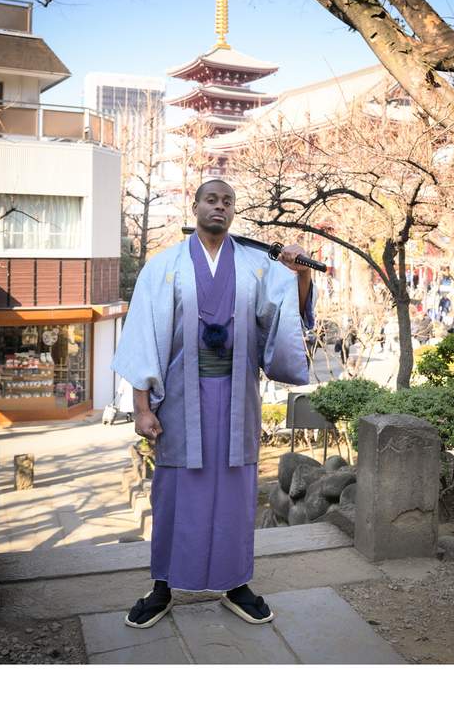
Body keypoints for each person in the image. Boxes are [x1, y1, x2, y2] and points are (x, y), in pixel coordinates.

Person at [112, 179, 314, 629]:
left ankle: (236, 583)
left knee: (236, 492)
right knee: (174, 493)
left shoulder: (255, 267)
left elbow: (284, 317)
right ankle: (162, 585)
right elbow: (142, 339)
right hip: (181, 398)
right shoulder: (164, 267)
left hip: (236, 396)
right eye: (212, 199)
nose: (219, 207)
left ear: (233, 211)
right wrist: (143, 409)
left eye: (227, 201)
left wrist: (300, 274)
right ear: (196, 205)